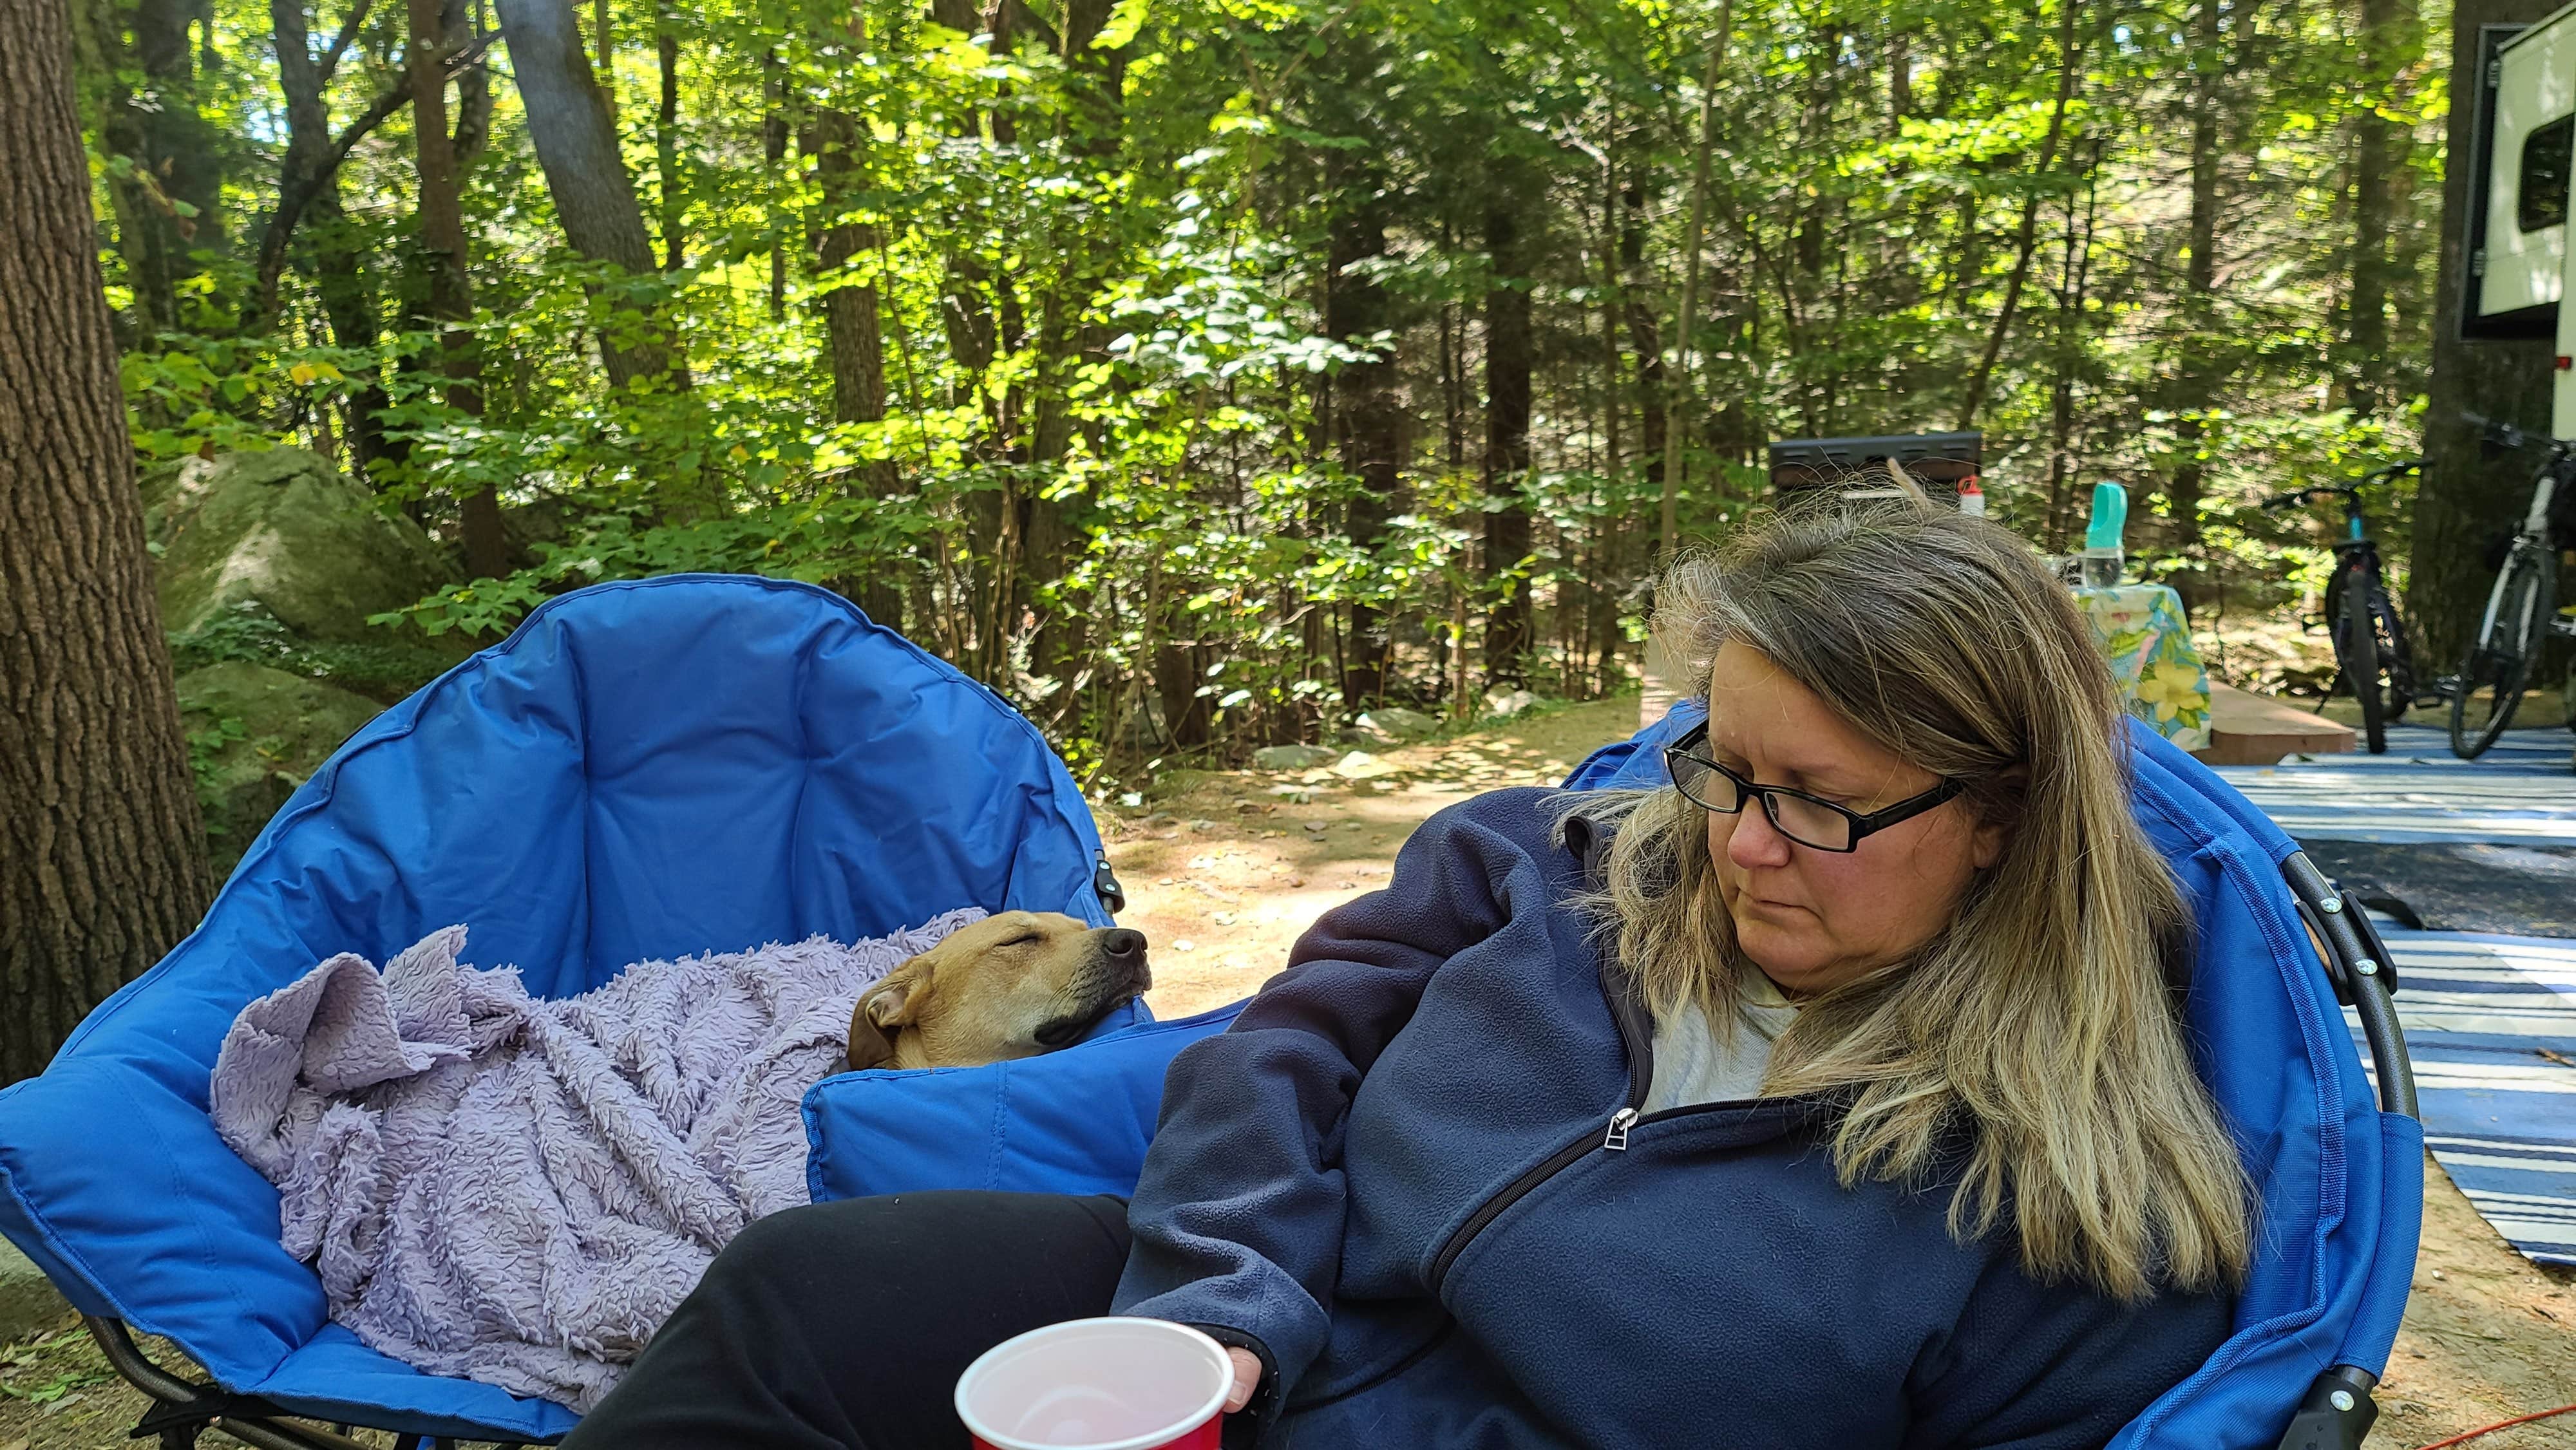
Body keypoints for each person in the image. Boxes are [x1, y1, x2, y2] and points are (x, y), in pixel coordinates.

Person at [564, 493, 2251, 1449]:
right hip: (1260, 1323)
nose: (1738, 841)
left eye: (1818, 802)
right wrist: (1221, 1306)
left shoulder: (2077, 1219)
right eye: (1724, 764)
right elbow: (1279, 1053)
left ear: (2004, 819)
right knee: (800, 1292)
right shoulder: (1561, 855)